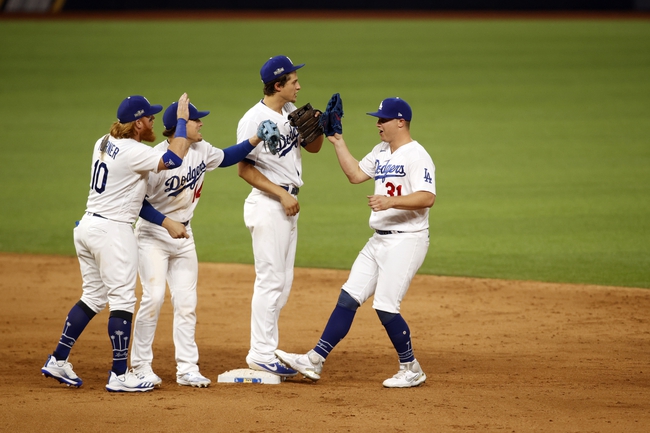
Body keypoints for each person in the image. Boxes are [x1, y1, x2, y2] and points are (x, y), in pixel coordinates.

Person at [276, 97, 436, 388]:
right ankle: (315, 360)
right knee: (348, 297)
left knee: (386, 307)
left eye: (383, 119)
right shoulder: (381, 151)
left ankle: (411, 367)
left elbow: (428, 197)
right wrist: (337, 141)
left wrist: (391, 201)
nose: (378, 124)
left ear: (400, 122)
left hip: (407, 240)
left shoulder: (417, 155)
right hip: (378, 240)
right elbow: (355, 174)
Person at [41, 93, 192, 392]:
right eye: (149, 118)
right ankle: (120, 374)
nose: (152, 122)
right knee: (122, 301)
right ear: (137, 123)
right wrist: (183, 121)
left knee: (94, 297)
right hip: (112, 232)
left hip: (87, 226)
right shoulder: (132, 151)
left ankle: (58, 358)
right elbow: (173, 158)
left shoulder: (103, 141)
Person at [129, 101, 274, 388]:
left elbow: (230, 156)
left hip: (184, 236)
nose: (201, 124)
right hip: (152, 236)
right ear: (181, 126)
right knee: (154, 297)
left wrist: (255, 138)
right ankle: (140, 366)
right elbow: (137, 205)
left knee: (186, 303)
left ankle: (187, 368)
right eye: (196, 121)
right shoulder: (156, 159)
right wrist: (165, 222)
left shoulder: (202, 150)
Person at [236, 55, 324, 377]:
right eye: (293, 81)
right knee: (270, 280)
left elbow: (313, 150)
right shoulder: (252, 119)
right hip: (269, 203)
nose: (299, 85)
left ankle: (267, 349)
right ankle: (259, 353)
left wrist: (321, 126)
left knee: (283, 283)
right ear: (277, 85)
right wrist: (281, 193)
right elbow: (244, 169)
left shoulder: (289, 112)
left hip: (287, 205)